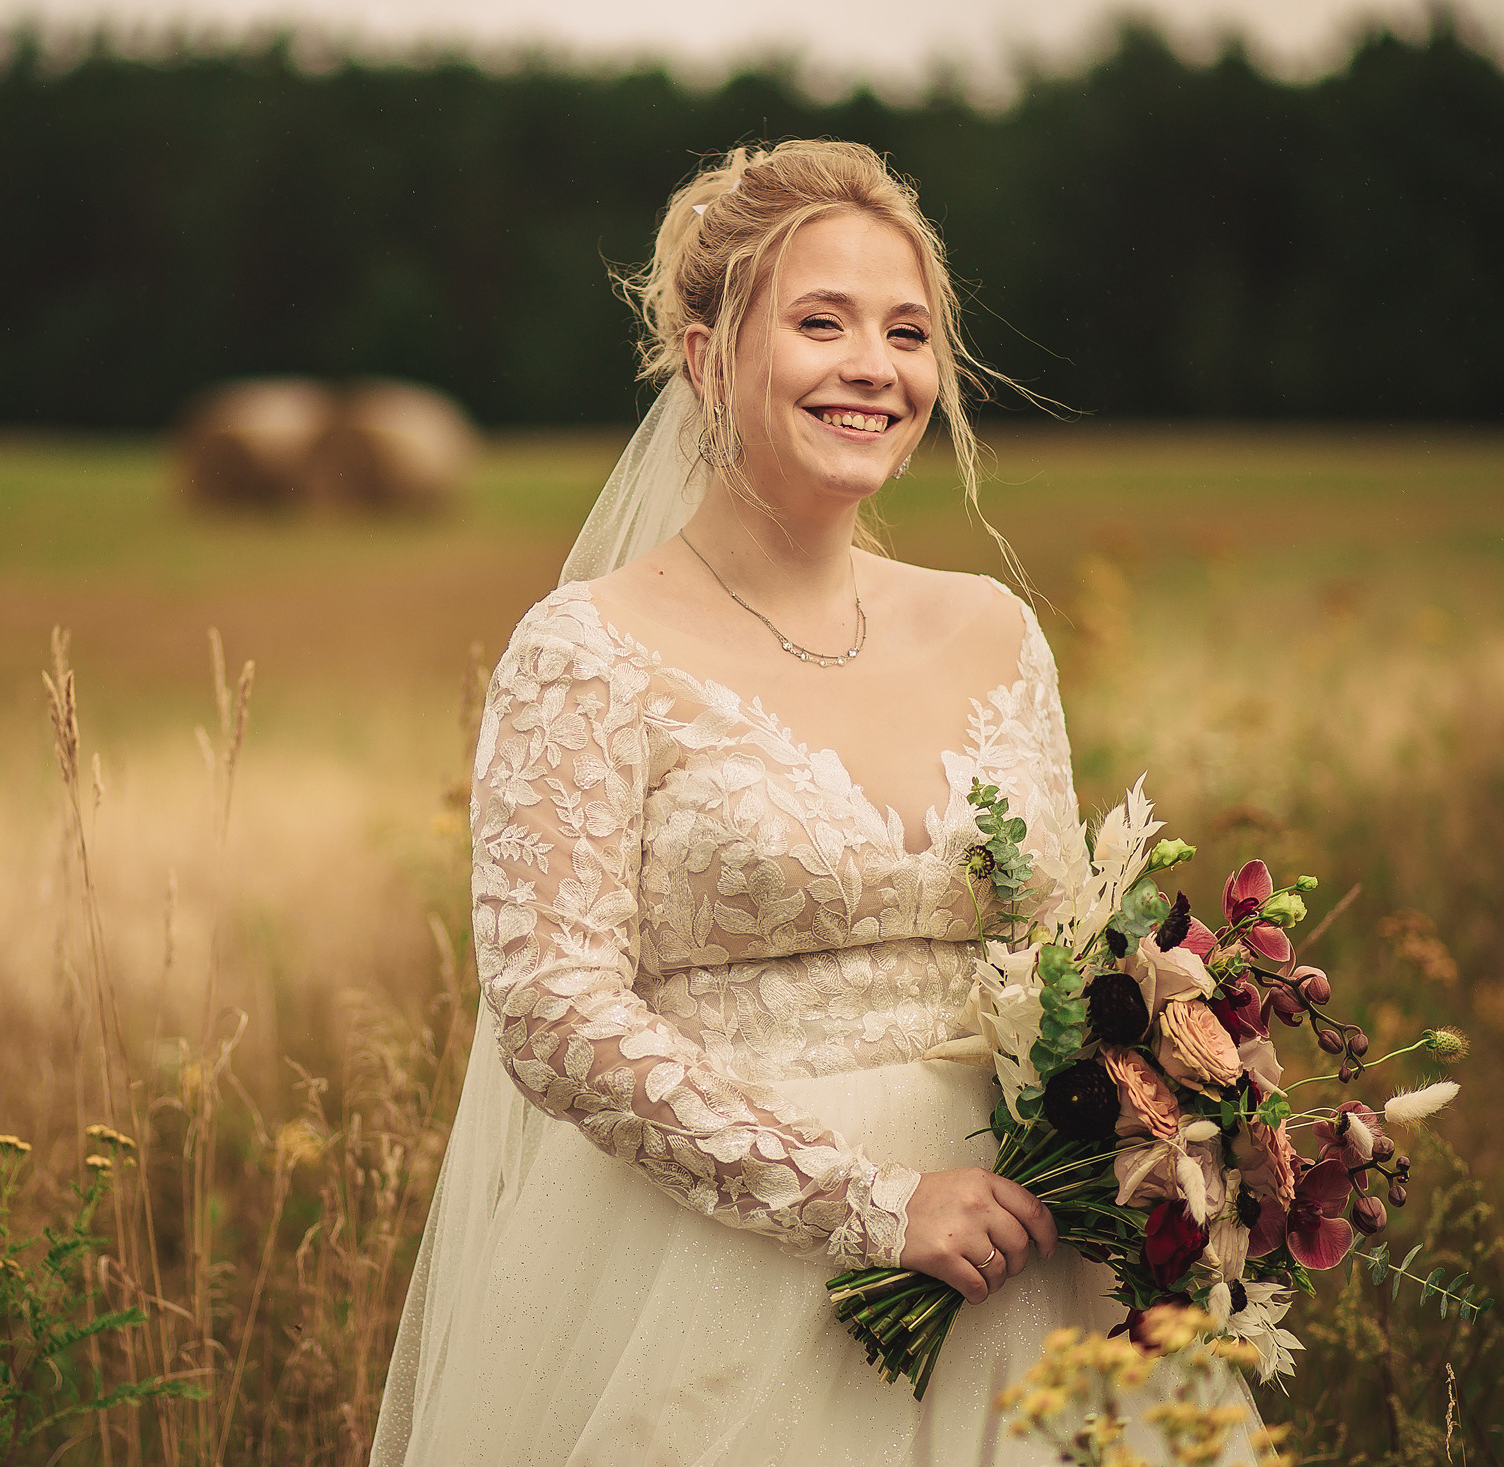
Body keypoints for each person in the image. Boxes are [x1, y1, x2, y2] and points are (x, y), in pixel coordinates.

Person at [371, 141, 1248, 1466]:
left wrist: (1187, 1092)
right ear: (705, 356)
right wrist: (873, 1207)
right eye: (819, 322)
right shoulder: (588, 652)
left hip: (1030, 1257)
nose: (872, 368)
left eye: (907, 332)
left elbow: (1065, 953)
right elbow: (551, 1009)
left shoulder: (993, 630)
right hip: (718, 1277)